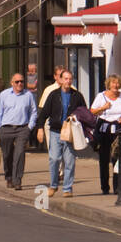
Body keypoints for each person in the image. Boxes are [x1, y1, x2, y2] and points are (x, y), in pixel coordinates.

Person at [35, 68, 86, 198]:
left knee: (69, 161)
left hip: (71, 132)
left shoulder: (77, 96)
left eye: (70, 79)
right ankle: (53, 185)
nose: (68, 81)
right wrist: (40, 128)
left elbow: (84, 113)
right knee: (54, 159)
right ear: (60, 80)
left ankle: (67, 188)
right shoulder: (53, 95)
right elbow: (44, 113)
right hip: (55, 131)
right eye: (65, 79)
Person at [0, 73, 38, 189]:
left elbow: (34, 111)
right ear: (12, 83)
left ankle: (17, 180)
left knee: (19, 154)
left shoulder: (28, 95)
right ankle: (9, 177)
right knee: (7, 155)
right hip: (6, 128)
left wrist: (30, 126)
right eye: (17, 82)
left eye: (22, 81)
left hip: (22, 128)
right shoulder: (4, 95)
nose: (20, 84)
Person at [90, 74, 121, 196]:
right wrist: (103, 107)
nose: (115, 85)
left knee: (117, 159)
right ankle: (105, 187)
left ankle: (117, 187)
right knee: (104, 159)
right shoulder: (101, 96)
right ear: (109, 84)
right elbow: (92, 111)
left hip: (118, 129)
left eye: (117, 83)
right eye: (113, 83)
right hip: (104, 129)